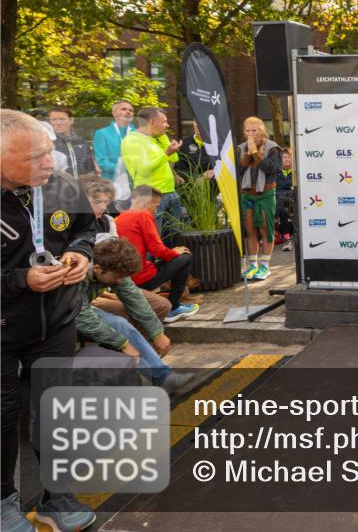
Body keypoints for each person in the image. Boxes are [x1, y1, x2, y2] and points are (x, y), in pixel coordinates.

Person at [1, 109, 98, 532]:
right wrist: (22, 279)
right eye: (34, 158)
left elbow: (85, 228)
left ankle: (56, 494)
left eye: (49, 150)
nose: (48, 162)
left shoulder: (59, 184)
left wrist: (82, 255)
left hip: (55, 322)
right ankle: (5, 500)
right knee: (3, 414)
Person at [75, 238, 192, 393]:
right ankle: (156, 374)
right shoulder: (78, 273)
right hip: (61, 316)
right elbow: (80, 315)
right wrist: (123, 344)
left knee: (122, 322)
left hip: (80, 309)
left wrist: (158, 333)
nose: (119, 281)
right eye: (116, 277)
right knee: (116, 324)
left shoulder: (112, 270)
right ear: (97, 268)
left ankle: (163, 376)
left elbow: (134, 298)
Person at [77, 174, 172, 324]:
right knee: (129, 311)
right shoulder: (69, 226)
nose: (102, 206)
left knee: (162, 305)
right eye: (96, 201)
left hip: (116, 280)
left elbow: (116, 259)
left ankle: (140, 342)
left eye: (106, 202)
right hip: (89, 292)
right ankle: (123, 345)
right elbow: (157, 249)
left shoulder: (108, 221)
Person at [115, 185, 199, 323]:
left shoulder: (119, 218)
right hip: (140, 278)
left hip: (125, 279)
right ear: (148, 203)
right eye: (156, 205)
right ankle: (173, 308)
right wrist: (175, 251)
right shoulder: (143, 214)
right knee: (186, 256)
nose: (156, 210)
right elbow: (157, 250)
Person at [120, 106, 183, 244]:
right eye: (164, 122)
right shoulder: (132, 140)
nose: (167, 125)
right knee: (153, 239)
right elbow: (143, 169)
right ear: (152, 123)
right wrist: (166, 153)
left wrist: (165, 139)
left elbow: (174, 159)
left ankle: (172, 264)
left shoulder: (156, 138)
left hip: (170, 193)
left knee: (173, 239)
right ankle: (151, 265)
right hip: (150, 197)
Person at [237, 116, 282, 280]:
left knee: (265, 229)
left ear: (261, 130)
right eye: (247, 130)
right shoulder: (241, 148)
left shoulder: (273, 148)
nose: (250, 134)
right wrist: (248, 153)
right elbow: (239, 172)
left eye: (254, 130)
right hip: (247, 194)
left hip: (266, 195)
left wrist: (256, 153)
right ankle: (253, 265)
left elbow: (271, 169)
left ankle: (265, 266)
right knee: (250, 230)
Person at [92, 99, 136, 203]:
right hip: (111, 185)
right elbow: (101, 161)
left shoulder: (138, 134)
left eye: (131, 110)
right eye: (124, 109)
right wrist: (123, 169)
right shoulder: (102, 133)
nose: (128, 111)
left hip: (135, 187)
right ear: (114, 113)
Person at [46, 106, 97, 178]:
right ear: (50, 122)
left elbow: (90, 170)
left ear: (71, 120)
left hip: (83, 186)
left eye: (62, 119)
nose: (58, 123)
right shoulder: (47, 145)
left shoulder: (82, 143)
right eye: (54, 119)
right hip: (59, 187)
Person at [275, 148, 295, 251]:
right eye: (284, 158)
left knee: (282, 202)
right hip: (279, 199)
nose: (286, 159)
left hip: (292, 198)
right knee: (283, 211)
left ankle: (274, 218)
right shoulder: (276, 172)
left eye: (289, 157)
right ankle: (287, 240)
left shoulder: (296, 172)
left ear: (292, 159)